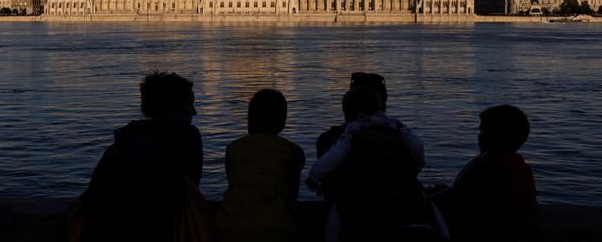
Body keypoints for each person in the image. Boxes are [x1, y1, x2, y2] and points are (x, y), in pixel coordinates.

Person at [74, 71, 206, 242]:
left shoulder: (126, 136)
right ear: (174, 107)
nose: (194, 112)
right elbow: (190, 191)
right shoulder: (188, 135)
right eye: (190, 104)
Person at [310, 73, 439, 241]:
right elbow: (417, 157)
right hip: (400, 206)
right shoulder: (400, 135)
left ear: (347, 109)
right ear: (382, 105)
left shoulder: (329, 140)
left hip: (354, 213)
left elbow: (327, 182)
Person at [433, 105, 540, 242]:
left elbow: (454, 200)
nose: (478, 135)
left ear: (491, 134)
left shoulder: (483, 165)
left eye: (481, 130)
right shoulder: (520, 166)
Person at [215, 89, 306, 242]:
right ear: (283, 122)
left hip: (228, 228)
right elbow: (291, 196)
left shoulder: (233, 148)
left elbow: (235, 183)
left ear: (250, 119)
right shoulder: (292, 151)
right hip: (276, 229)